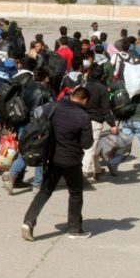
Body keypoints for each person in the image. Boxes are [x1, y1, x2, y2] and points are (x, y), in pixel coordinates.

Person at [21, 87, 94, 241]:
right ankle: (75, 228)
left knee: (45, 191)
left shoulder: (54, 107)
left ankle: (29, 221)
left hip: (52, 158)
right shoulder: (83, 116)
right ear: (85, 100)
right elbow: (87, 144)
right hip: (72, 160)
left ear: (72, 95)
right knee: (75, 193)